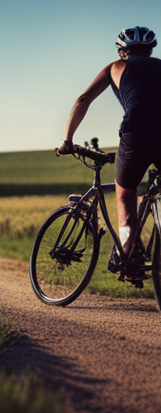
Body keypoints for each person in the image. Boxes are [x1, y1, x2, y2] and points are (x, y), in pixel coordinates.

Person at [56, 26, 161, 281]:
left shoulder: (115, 67)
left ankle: (129, 256)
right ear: (150, 50)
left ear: (122, 52)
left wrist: (67, 141)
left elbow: (83, 99)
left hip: (136, 134)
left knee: (126, 196)